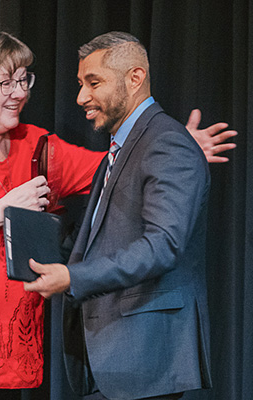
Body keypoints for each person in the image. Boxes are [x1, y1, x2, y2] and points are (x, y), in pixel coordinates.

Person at [0, 25, 232, 400]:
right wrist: (3, 208)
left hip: (0, 362)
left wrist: (177, 145)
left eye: (25, 80)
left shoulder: (37, 147)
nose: (20, 93)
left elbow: (114, 168)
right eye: (6, 82)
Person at [24, 31, 214, 400]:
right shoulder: (122, 147)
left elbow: (163, 246)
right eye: (81, 84)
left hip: (146, 358)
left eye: (94, 83)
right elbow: (102, 238)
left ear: (135, 78)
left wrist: (72, 276)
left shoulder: (167, 142)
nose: (82, 97)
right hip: (111, 356)